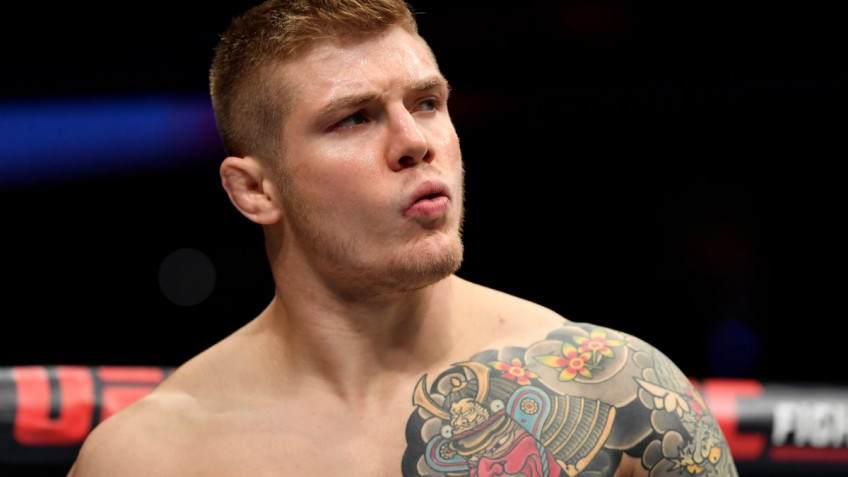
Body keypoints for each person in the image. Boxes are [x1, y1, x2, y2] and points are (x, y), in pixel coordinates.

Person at [67, 0, 739, 475]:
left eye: (426, 103)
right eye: (354, 118)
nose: (415, 141)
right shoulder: (152, 456)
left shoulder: (618, 393)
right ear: (255, 190)